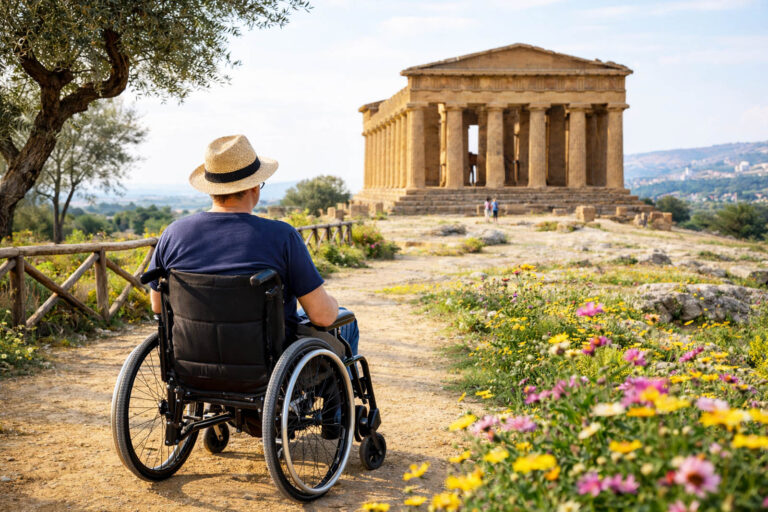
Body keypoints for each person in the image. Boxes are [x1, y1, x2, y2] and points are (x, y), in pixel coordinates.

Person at [147, 134, 359, 355]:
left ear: (211, 189)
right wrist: (332, 304)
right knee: (347, 323)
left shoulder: (173, 234)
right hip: (267, 362)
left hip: (192, 359)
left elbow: (158, 306)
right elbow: (322, 316)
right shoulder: (282, 236)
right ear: (255, 187)